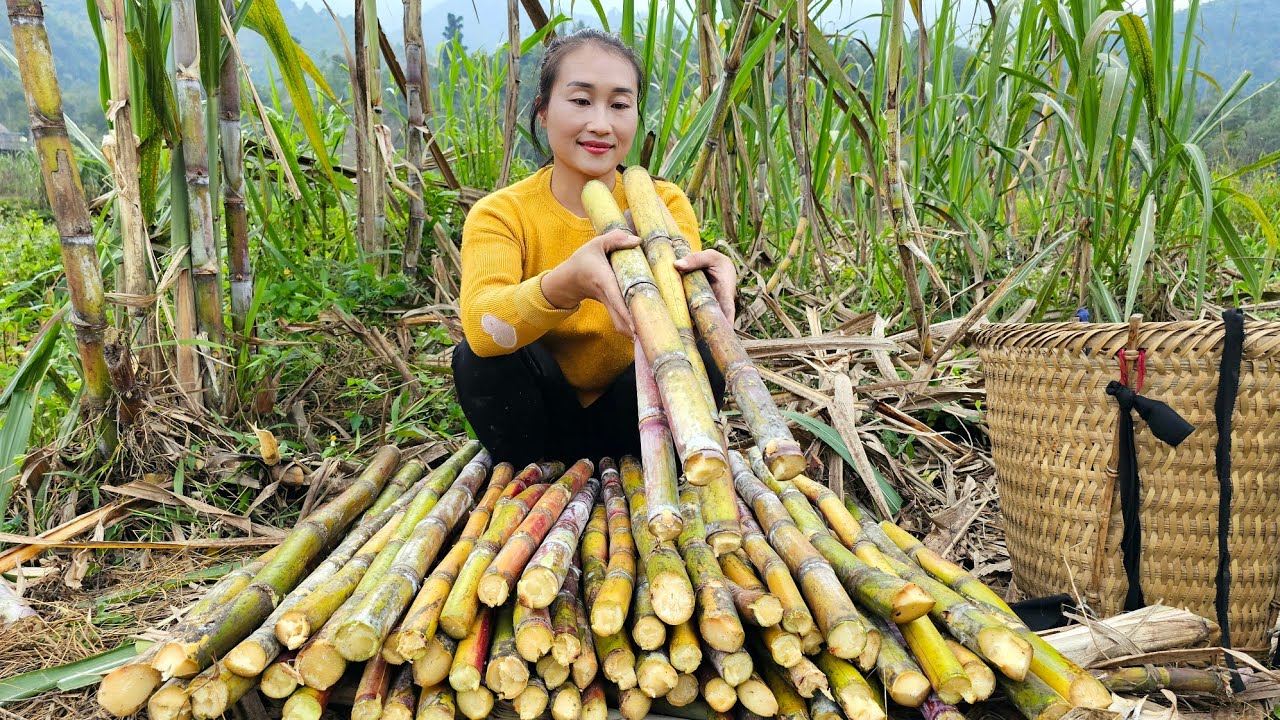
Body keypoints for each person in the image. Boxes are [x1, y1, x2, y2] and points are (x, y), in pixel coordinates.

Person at [452, 28, 738, 467]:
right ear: (543, 111)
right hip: (540, 427)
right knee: (479, 358)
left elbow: (678, 322)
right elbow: (482, 324)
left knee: (703, 353)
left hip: (639, 419)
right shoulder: (502, 213)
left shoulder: (661, 204)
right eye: (581, 101)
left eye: (620, 105)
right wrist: (566, 283)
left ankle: (654, 472)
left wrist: (712, 296)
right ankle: (546, 476)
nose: (601, 124)